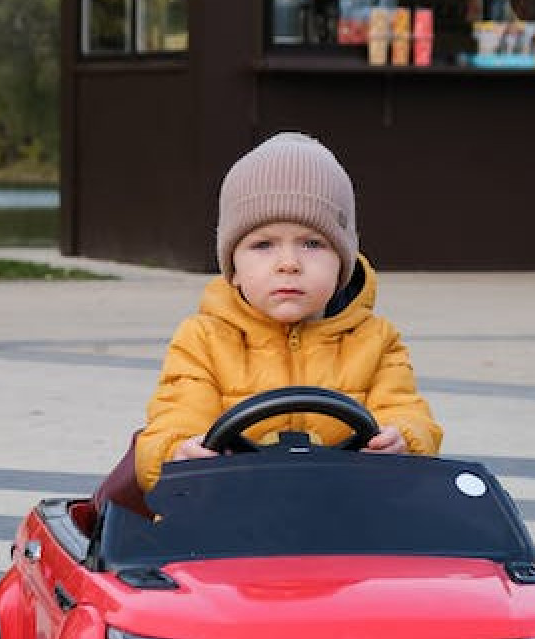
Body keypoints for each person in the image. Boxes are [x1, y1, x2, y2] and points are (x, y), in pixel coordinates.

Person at [132, 131, 443, 493]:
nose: (289, 263)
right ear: (233, 267)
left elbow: (406, 410)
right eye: (263, 245)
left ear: (342, 263)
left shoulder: (375, 340)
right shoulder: (202, 340)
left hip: (348, 505)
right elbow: (175, 417)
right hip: (232, 507)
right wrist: (177, 451)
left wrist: (404, 438)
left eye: (312, 244)